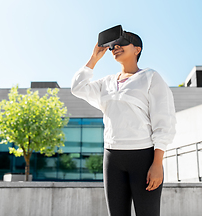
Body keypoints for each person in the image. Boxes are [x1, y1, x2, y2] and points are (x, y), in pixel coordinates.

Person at [71, 28, 176, 216]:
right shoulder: (107, 83)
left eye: (122, 43)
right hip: (112, 157)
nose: (115, 48)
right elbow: (78, 88)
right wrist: (94, 58)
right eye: (112, 47)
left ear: (137, 49)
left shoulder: (150, 77)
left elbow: (164, 120)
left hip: (143, 157)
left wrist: (157, 162)